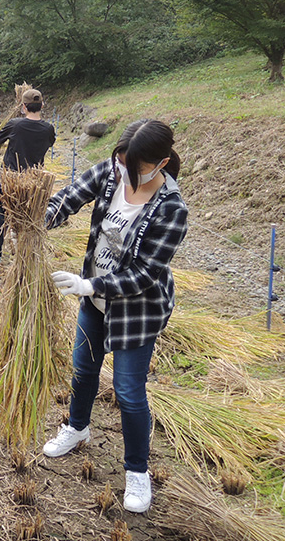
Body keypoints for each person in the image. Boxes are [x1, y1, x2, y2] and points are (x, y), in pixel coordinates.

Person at [42, 119, 188, 514]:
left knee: (128, 391)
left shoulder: (171, 208)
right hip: (96, 302)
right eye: (121, 162)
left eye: (134, 167)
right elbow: (70, 196)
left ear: (160, 163)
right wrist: (40, 218)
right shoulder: (112, 171)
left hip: (137, 310)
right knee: (83, 370)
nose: (124, 172)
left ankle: (137, 472)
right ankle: (77, 427)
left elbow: (145, 274)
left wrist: (91, 286)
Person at [0, 88, 56, 266]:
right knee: (29, 216)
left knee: (0, 214)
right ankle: (25, 254)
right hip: (34, 179)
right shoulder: (48, 128)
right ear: (42, 105)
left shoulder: (15, 124)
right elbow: (50, 142)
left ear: (23, 106)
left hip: (10, 177)